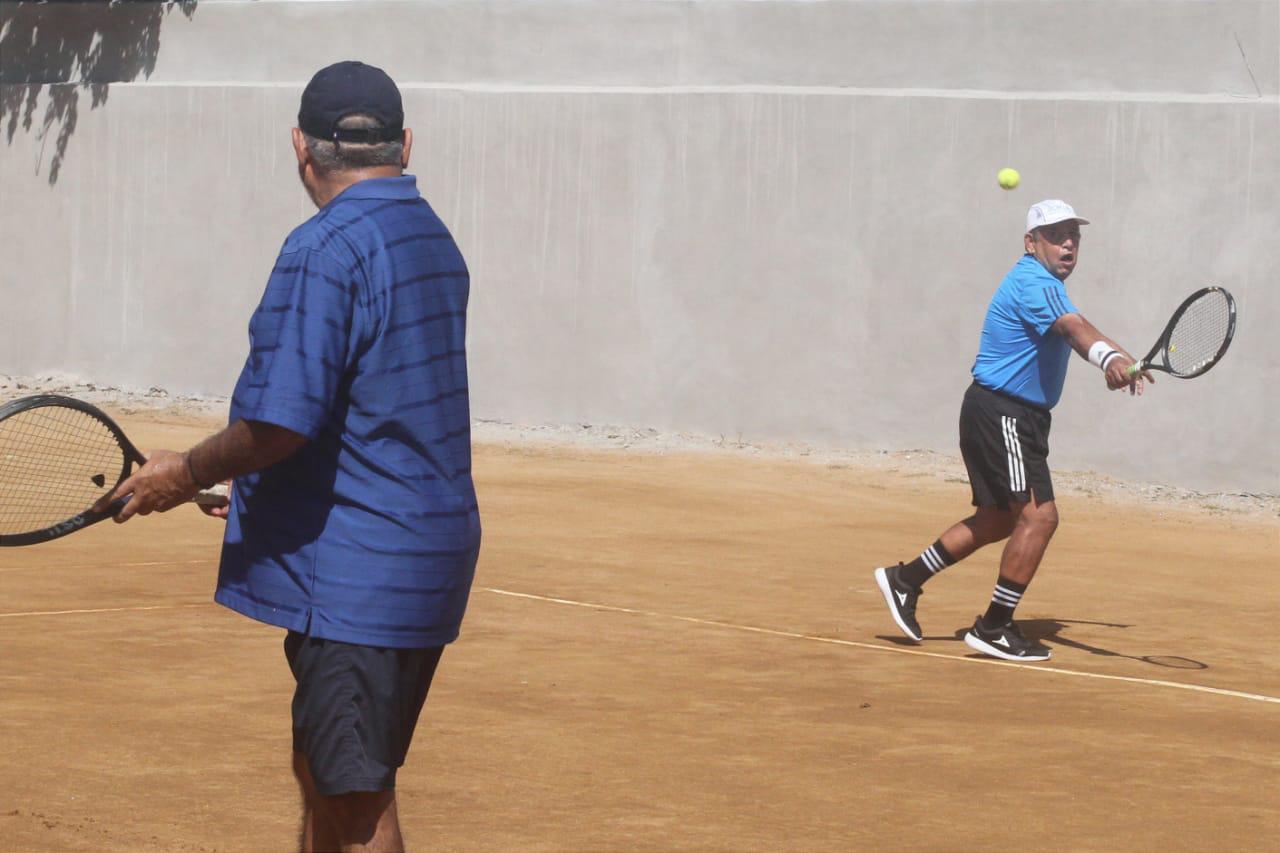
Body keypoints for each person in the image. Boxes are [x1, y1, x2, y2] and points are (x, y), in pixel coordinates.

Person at [96, 60, 481, 851]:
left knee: (352, 801)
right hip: (415, 552)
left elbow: (281, 421)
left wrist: (186, 471)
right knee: (328, 769)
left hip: (361, 570)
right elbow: (375, 405)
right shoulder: (430, 236)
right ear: (404, 144)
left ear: (299, 148)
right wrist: (269, 490)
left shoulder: (324, 248)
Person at [873, 200, 1151, 662]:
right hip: (1006, 414)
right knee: (1040, 517)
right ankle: (994, 627)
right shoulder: (1033, 282)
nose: (1068, 243)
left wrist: (1121, 359)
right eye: (1056, 234)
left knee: (999, 519)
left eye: (1074, 235)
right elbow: (1074, 329)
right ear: (1031, 242)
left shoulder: (1048, 287)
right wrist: (1110, 359)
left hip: (1001, 412)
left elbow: (1080, 326)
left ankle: (905, 580)